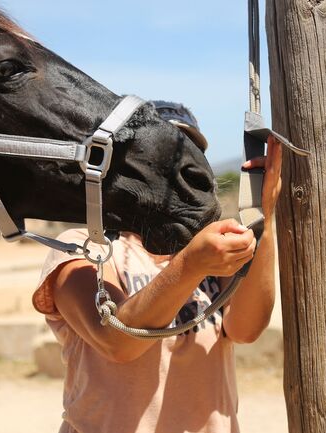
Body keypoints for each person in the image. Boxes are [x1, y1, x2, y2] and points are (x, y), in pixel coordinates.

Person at [32, 102, 283, 433]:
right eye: (161, 154)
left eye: (188, 154)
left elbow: (246, 330)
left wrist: (263, 214)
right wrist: (191, 265)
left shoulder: (210, 252)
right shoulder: (85, 248)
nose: (177, 168)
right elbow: (117, 342)